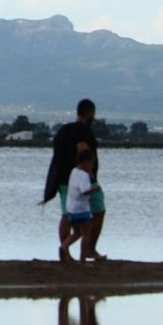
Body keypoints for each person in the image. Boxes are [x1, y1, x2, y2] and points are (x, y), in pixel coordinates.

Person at [43, 98, 108, 262]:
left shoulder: (63, 130)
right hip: (82, 178)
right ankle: (90, 250)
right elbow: (83, 149)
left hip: (63, 180)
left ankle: (65, 251)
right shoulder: (83, 130)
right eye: (93, 113)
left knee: (67, 214)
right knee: (99, 209)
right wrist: (90, 174)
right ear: (90, 113)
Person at [59, 146, 98, 264]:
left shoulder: (74, 171)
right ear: (86, 162)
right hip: (81, 210)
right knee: (86, 234)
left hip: (71, 209)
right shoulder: (83, 175)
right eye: (91, 163)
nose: (92, 166)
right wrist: (95, 189)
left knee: (77, 233)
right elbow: (84, 190)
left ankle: (64, 246)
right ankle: (82, 260)